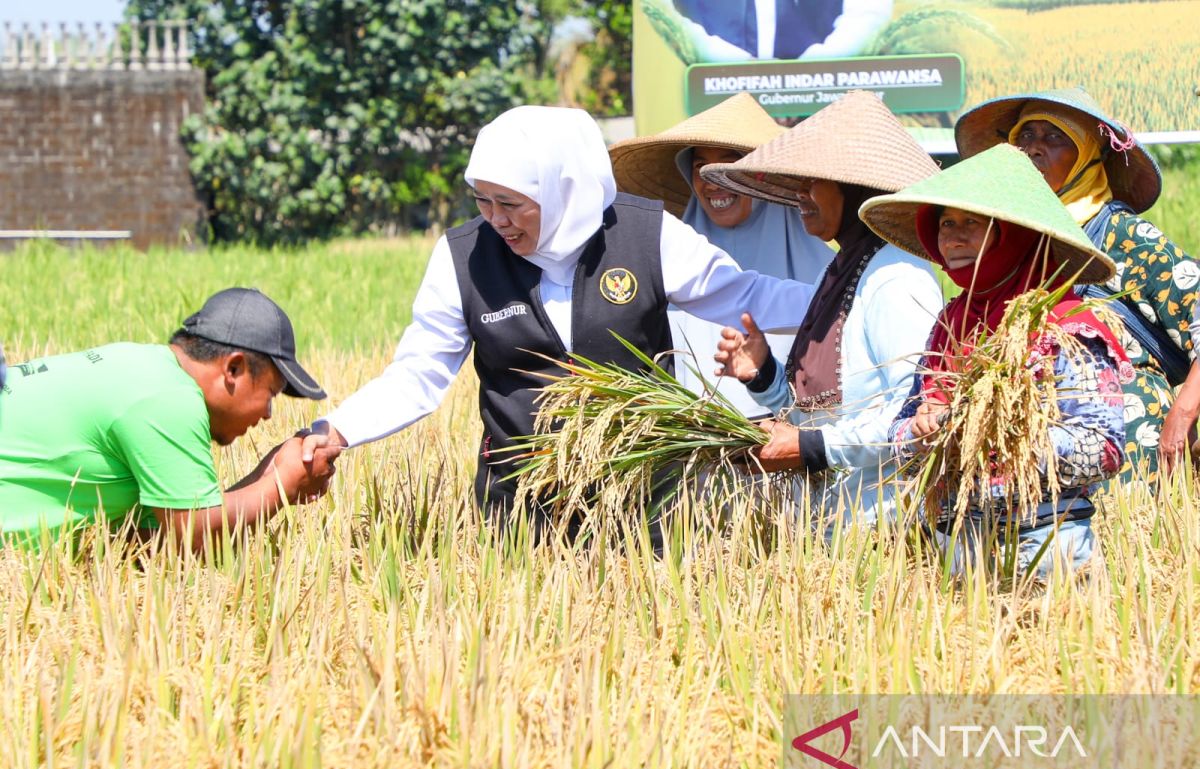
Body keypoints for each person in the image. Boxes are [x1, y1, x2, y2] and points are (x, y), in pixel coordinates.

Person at [299, 105, 820, 532]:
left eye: (511, 203)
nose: (495, 219)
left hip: (643, 500)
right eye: (482, 201)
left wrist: (841, 297)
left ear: (563, 190)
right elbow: (419, 372)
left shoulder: (645, 235)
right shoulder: (462, 257)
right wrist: (341, 429)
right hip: (519, 506)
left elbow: (745, 295)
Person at [857, 143, 1129, 577]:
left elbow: (1106, 449)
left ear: (1013, 233)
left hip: (1044, 545)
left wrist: (996, 432)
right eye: (946, 223)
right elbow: (901, 427)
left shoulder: (1066, 325)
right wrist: (920, 431)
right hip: (958, 544)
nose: (954, 237)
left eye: (973, 223)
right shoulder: (950, 322)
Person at [702, 90, 942, 531]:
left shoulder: (897, 278)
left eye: (812, 182)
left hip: (883, 524)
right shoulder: (837, 271)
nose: (800, 197)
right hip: (828, 526)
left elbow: (912, 414)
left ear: (854, 186)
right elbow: (813, 412)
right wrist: (763, 374)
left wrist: (810, 447)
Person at [955, 87, 1199, 482]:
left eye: (1054, 138)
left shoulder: (1122, 233)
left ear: (1087, 156)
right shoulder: (1013, 242)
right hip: (1043, 463)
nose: (1034, 149)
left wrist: (1184, 412)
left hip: (1132, 453)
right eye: (1025, 137)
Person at [0, 288, 335, 551]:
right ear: (233, 369)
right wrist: (282, 484)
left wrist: (268, 473)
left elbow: (152, 538)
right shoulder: (166, 398)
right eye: (271, 394)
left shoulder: (145, 370)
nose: (267, 414)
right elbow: (196, 537)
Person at [609, 92, 832, 418]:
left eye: (728, 165)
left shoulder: (833, 278)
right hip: (693, 457)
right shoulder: (668, 266)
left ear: (766, 178)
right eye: (700, 167)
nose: (711, 181)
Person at [652, 0, 893, 62]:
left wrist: (797, 81)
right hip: (717, 101)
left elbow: (869, 15)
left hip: (814, 107)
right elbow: (670, 23)